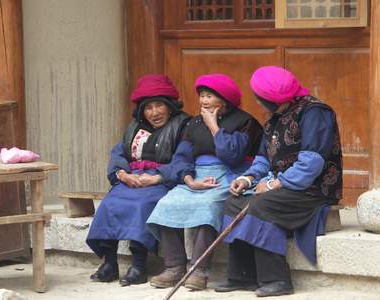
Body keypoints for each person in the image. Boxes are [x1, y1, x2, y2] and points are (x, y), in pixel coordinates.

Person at [216, 66, 343, 297]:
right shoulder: (274, 118)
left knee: (261, 205)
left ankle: (277, 280)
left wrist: (274, 185)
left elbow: (311, 164)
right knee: (233, 202)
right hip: (282, 184)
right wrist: (248, 178)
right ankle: (242, 276)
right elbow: (264, 158)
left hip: (312, 188)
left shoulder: (315, 112)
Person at [146, 73, 263, 291]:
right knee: (166, 203)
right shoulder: (193, 123)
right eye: (201, 96)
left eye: (210, 96)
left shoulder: (245, 122)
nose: (203, 101)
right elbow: (181, 156)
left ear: (224, 99)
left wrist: (213, 126)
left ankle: (198, 270)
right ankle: (174, 266)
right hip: (197, 174)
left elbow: (233, 156)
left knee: (209, 205)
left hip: (228, 173)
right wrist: (188, 179)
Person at [86, 74, 190, 286]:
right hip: (131, 178)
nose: (154, 112)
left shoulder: (184, 126)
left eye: (159, 105)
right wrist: (123, 175)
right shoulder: (134, 127)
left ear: (170, 106)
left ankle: (139, 265)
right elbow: (119, 153)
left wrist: (157, 179)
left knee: (142, 205)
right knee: (109, 204)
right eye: (148, 107)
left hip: (160, 182)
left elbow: (184, 159)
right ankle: (110, 262)